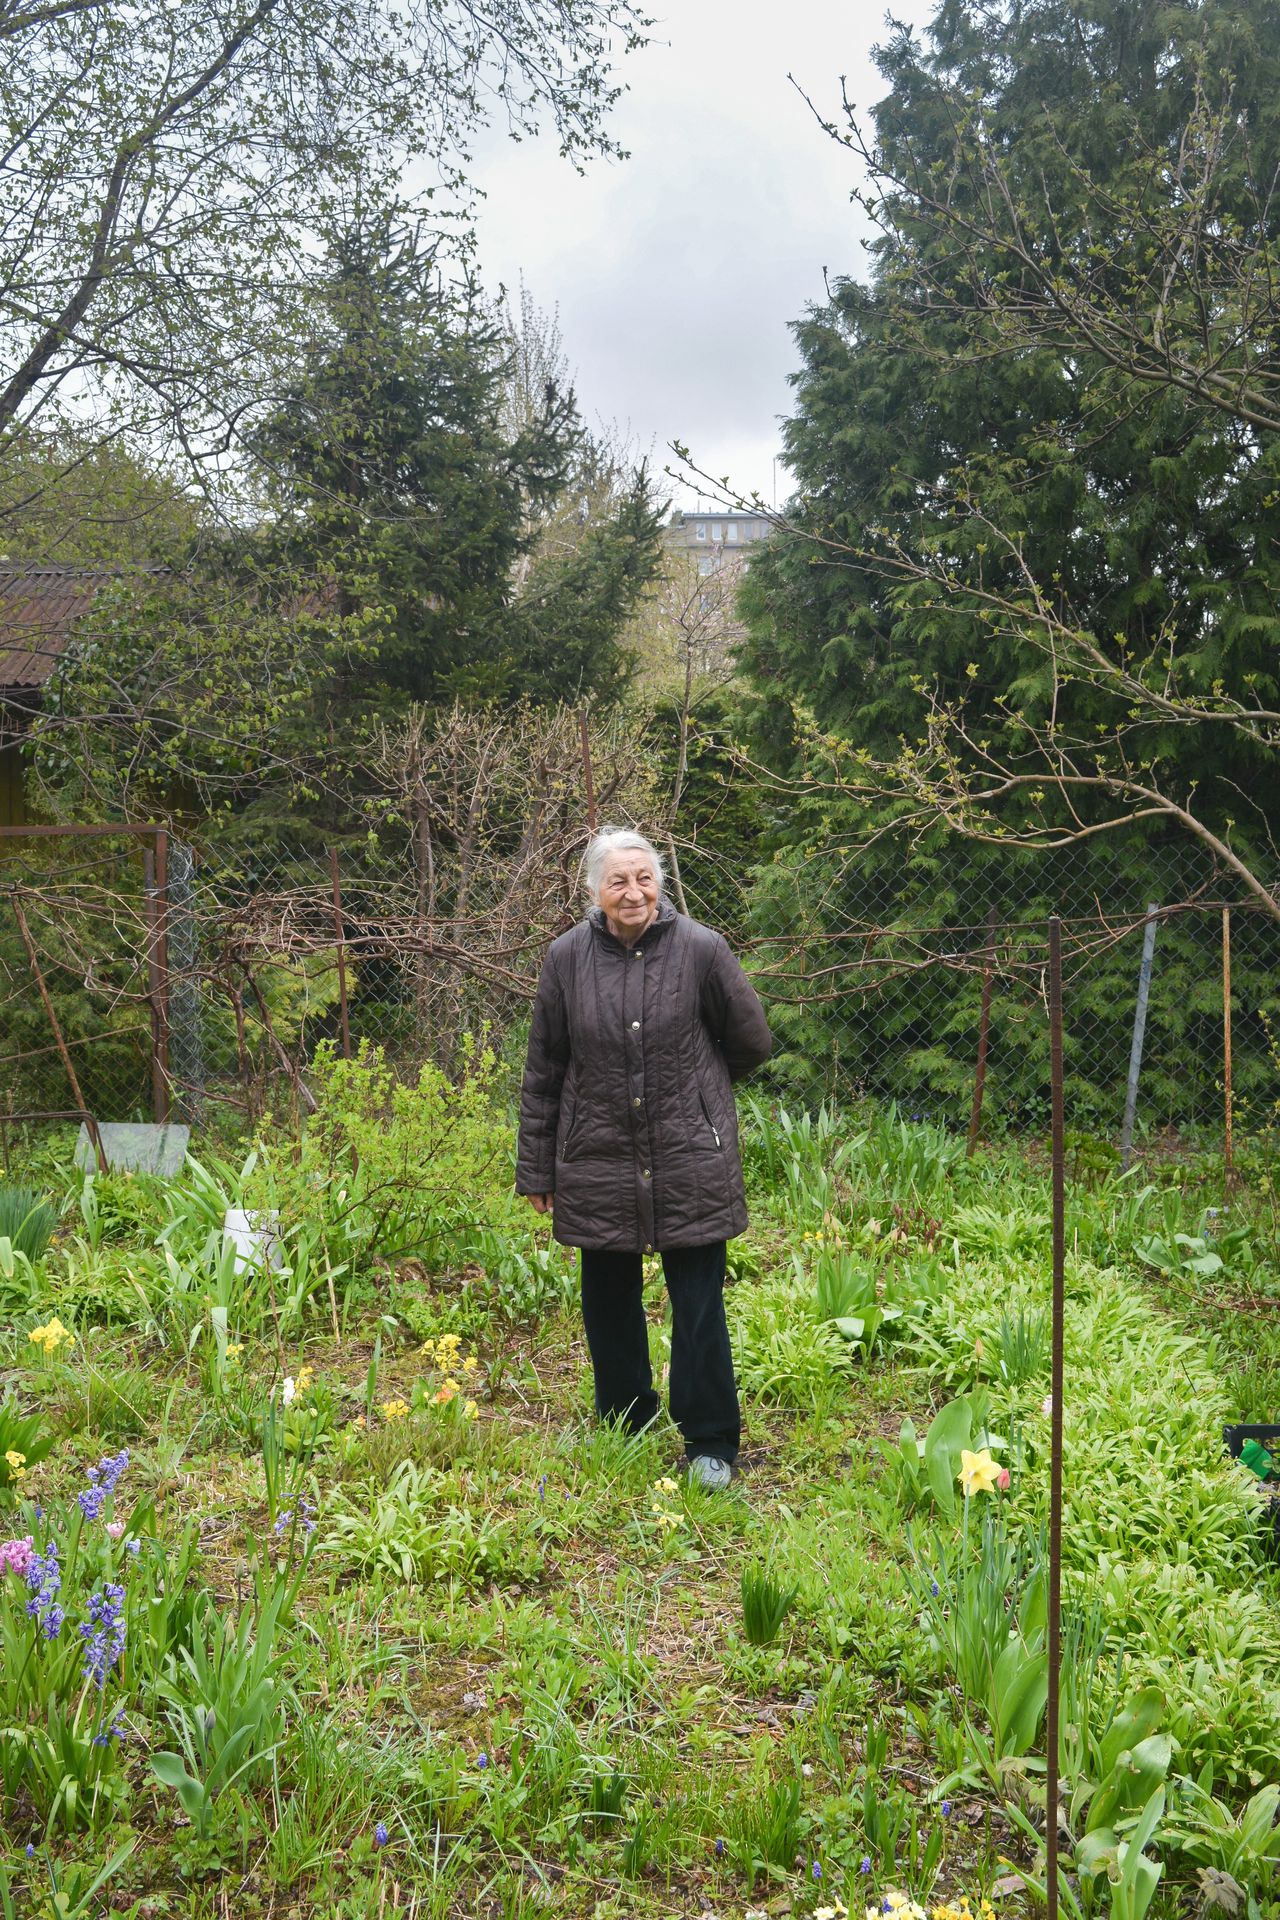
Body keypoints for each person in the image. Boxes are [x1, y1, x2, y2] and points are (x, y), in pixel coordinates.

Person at [516, 827, 773, 1489]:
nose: (634, 893)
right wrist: (538, 1168)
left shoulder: (702, 951)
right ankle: (627, 1419)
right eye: (618, 881)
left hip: (690, 1154)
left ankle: (710, 1440)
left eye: (644, 878)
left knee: (698, 1307)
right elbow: (544, 1070)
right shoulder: (566, 959)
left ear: (659, 881)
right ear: (594, 891)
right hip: (596, 1155)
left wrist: (699, 1090)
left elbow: (749, 1040)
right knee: (608, 1301)